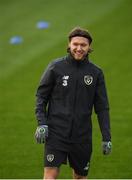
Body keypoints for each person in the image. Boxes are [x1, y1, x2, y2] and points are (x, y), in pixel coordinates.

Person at [35, 27, 112, 179]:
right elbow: (41, 96)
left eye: (83, 45)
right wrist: (42, 123)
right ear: (69, 45)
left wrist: (106, 137)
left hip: (82, 136)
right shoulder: (56, 67)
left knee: (80, 177)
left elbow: (102, 107)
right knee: (50, 174)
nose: (79, 48)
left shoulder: (96, 73)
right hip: (56, 133)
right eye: (75, 44)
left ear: (89, 47)